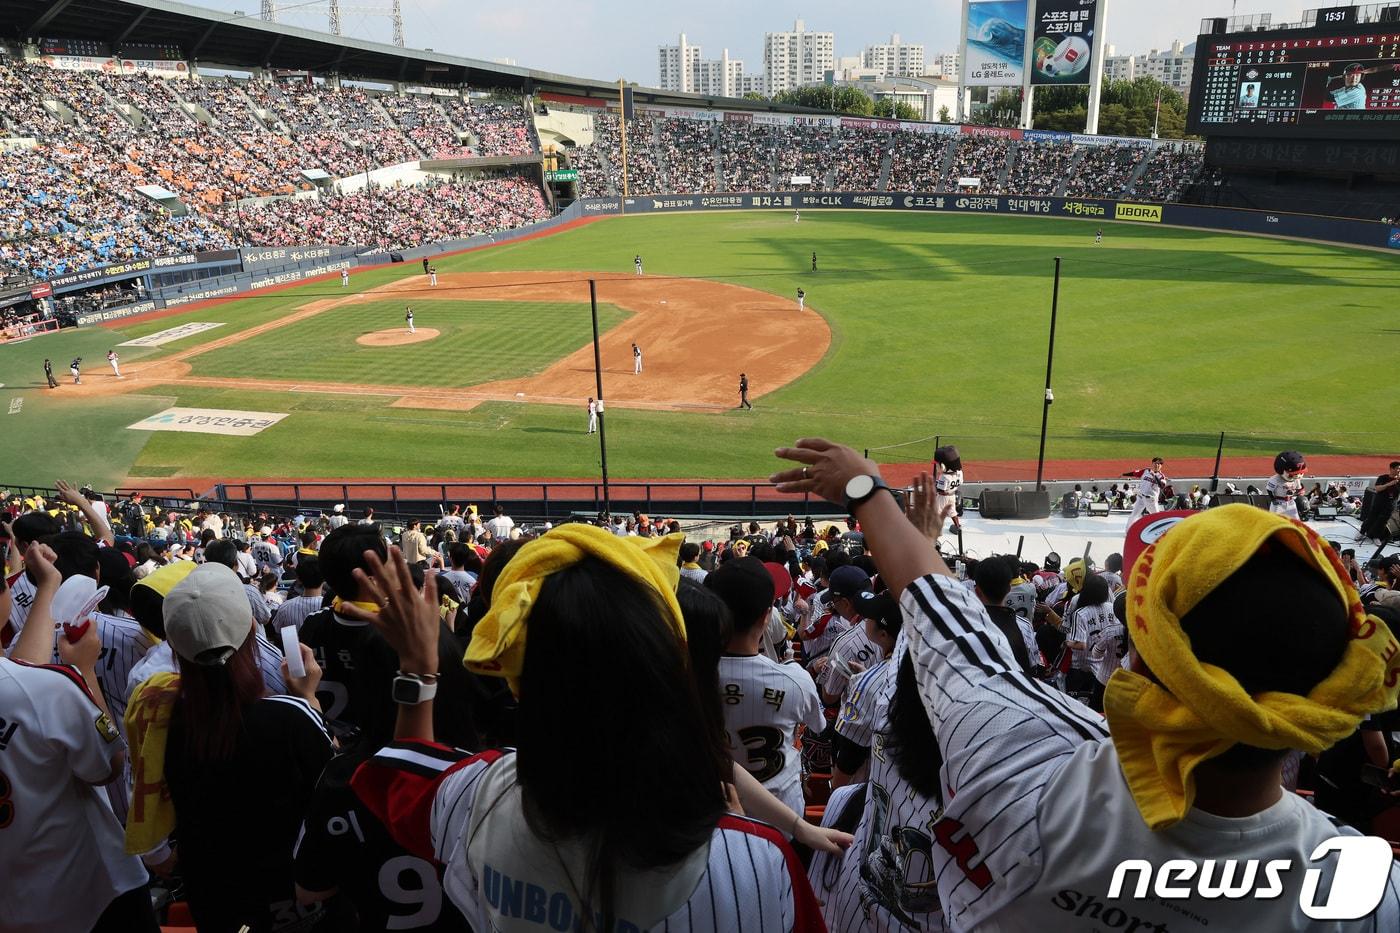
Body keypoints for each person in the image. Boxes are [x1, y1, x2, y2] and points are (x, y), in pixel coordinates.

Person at [769, 438, 1400, 930]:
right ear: (1326, 700)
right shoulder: (1365, 891)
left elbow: (938, 612)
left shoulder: (1020, 757)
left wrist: (865, 488)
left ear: (1142, 661)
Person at [346, 527, 824, 928]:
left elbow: (402, 766)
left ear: (520, 686)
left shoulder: (479, 794)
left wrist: (419, 665)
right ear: (669, 673)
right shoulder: (759, 860)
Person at [127, 562, 336, 932]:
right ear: (252, 629)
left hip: (213, 893)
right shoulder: (290, 716)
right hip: (288, 898)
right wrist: (309, 698)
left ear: (172, 643)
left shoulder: (156, 713)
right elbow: (331, 782)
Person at [0, 606, 160, 933]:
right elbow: (107, 766)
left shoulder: (32, 687)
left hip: (14, 908)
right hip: (95, 892)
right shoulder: (47, 688)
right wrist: (84, 670)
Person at [708, 556, 824, 816]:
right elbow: (817, 725)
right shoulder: (796, 678)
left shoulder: (687, 678)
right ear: (766, 616)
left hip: (714, 822)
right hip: (784, 821)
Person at [1360, 460, 1400, 542]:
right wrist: (1389, 484)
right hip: (1379, 502)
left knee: (1383, 521)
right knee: (1371, 518)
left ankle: (1376, 536)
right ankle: (1362, 532)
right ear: (1391, 469)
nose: (1398, 470)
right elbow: (1377, 488)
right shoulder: (1383, 477)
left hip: (1391, 504)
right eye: (1397, 468)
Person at [1267, 450, 1307, 520]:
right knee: (1273, 521)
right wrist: (1273, 499)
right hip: (1279, 503)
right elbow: (1269, 490)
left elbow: (1299, 489)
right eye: (1293, 474)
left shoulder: (1296, 479)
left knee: (1296, 521)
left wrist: (1301, 491)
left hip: (1290, 502)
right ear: (1280, 470)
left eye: (1300, 473)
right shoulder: (1275, 479)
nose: (1297, 476)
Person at [1127, 456, 1169, 521]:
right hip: (1141, 497)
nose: (1157, 465)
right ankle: (1128, 530)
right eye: (1155, 463)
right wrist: (1123, 474)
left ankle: (1161, 530)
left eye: (1159, 464)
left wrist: (1154, 476)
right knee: (1133, 516)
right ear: (1152, 463)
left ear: (1161, 466)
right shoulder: (1146, 471)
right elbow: (1135, 473)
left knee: (1157, 518)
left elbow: (1161, 486)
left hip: (1151, 500)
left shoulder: (1161, 476)